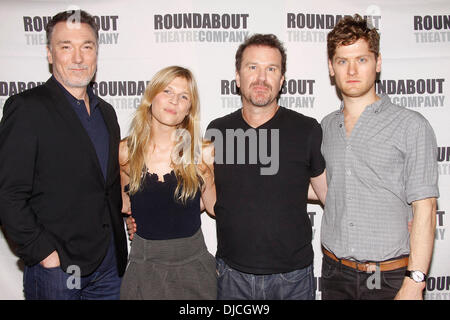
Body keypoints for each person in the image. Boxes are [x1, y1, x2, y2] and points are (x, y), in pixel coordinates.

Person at [0, 10, 127, 299]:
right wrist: (44, 253)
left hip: (109, 268)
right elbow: (8, 192)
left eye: (87, 46)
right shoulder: (27, 108)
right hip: (58, 270)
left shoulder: (106, 112)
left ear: (96, 53)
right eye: (66, 47)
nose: (78, 58)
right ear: (49, 53)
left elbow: (106, 186)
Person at [320, 14, 439, 300]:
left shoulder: (411, 125)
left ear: (378, 63)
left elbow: (426, 208)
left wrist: (415, 281)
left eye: (361, 59)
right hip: (335, 273)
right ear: (331, 67)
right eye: (342, 61)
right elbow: (323, 187)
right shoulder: (324, 127)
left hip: (390, 277)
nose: (351, 70)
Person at [205, 34, 327, 300]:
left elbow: (328, 195)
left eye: (271, 69)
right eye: (252, 68)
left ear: (281, 80)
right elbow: (213, 201)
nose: (261, 78)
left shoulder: (306, 129)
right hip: (231, 274)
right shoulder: (218, 131)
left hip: (292, 278)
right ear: (237, 77)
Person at [119, 66, 217, 300]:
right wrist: (128, 221)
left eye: (184, 96)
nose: (175, 100)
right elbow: (124, 204)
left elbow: (214, 206)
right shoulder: (127, 152)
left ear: (188, 109)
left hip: (193, 266)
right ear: (152, 96)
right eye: (167, 91)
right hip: (143, 266)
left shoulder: (202, 153)